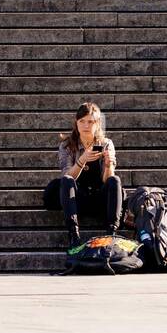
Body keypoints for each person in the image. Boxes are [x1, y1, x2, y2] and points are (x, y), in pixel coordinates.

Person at [54, 102, 123, 247]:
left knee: (115, 180)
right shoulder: (67, 145)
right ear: (76, 123)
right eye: (82, 121)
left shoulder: (106, 144)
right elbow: (67, 176)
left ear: (97, 124)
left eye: (90, 122)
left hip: (99, 196)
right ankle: (74, 234)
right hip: (78, 198)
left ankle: (111, 234)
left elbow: (107, 180)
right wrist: (82, 160)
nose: (86, 126)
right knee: (65, 181)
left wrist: (108, 165)